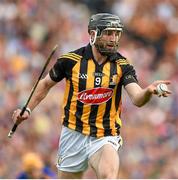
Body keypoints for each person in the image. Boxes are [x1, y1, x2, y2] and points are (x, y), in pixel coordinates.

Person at [12, 13, 171, 179]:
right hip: (73, 133)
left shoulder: (122, 65)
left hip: (105, 135)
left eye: (116, 34)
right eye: (109, 33)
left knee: (108, 175)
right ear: (93, 34)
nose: (113, 38)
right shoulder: (70, 60)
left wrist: (148, 91)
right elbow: (45, 84)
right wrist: (28, 109)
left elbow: (137, 98)